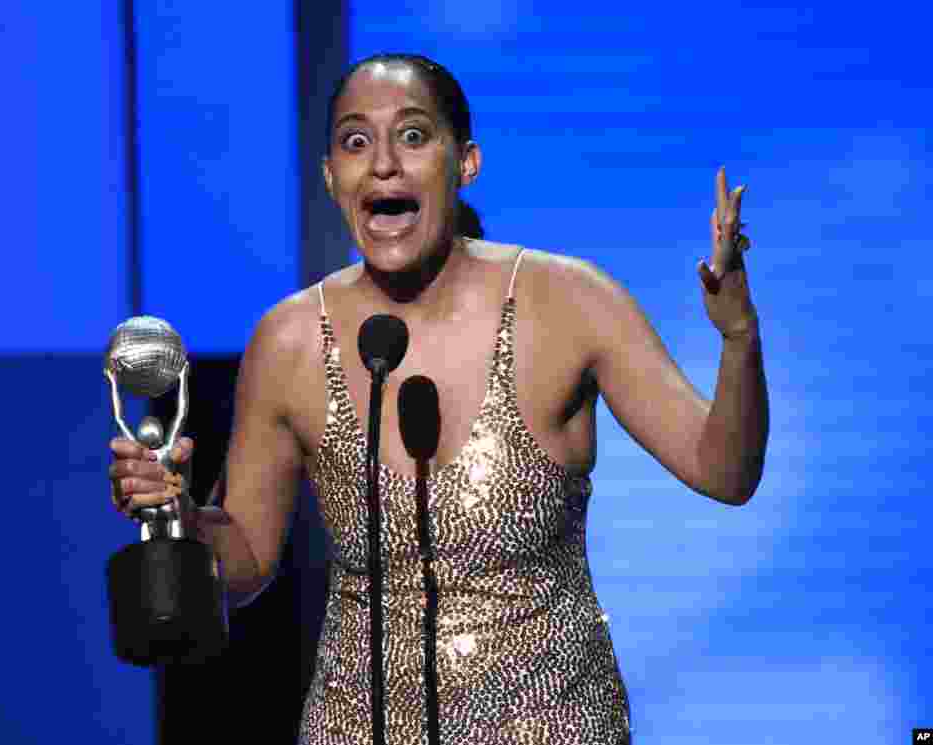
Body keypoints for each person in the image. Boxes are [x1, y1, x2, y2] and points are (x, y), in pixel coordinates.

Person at [108, 54, 769, 744]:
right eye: (356, 141)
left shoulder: (570, 303)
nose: (384, 164)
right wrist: (179, 517)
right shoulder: (291, 341)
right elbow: (244, 559)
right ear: (332, 176)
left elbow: (724, 470)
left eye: (414, 136)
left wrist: (739, 336)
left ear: (467, 162)